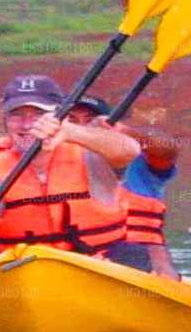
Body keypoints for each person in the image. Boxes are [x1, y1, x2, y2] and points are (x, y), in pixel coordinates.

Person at [0, 75, 151, 284]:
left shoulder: (91, 154)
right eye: (16, 115)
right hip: (21, 273)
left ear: (61, 116)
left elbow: (129, 150)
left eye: (38, 114)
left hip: (97, 265)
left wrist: (70, 131)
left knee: (133, 253)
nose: (27, 124)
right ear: (5, 121)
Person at [66, 95, 182, 280]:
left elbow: (168, 150)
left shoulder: (138, 160)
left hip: (142, 250)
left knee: (156, 265)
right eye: (72, 119)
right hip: (75, 253)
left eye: (90, 120)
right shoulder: (41, 161)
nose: (81, 127)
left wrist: (125, 132)